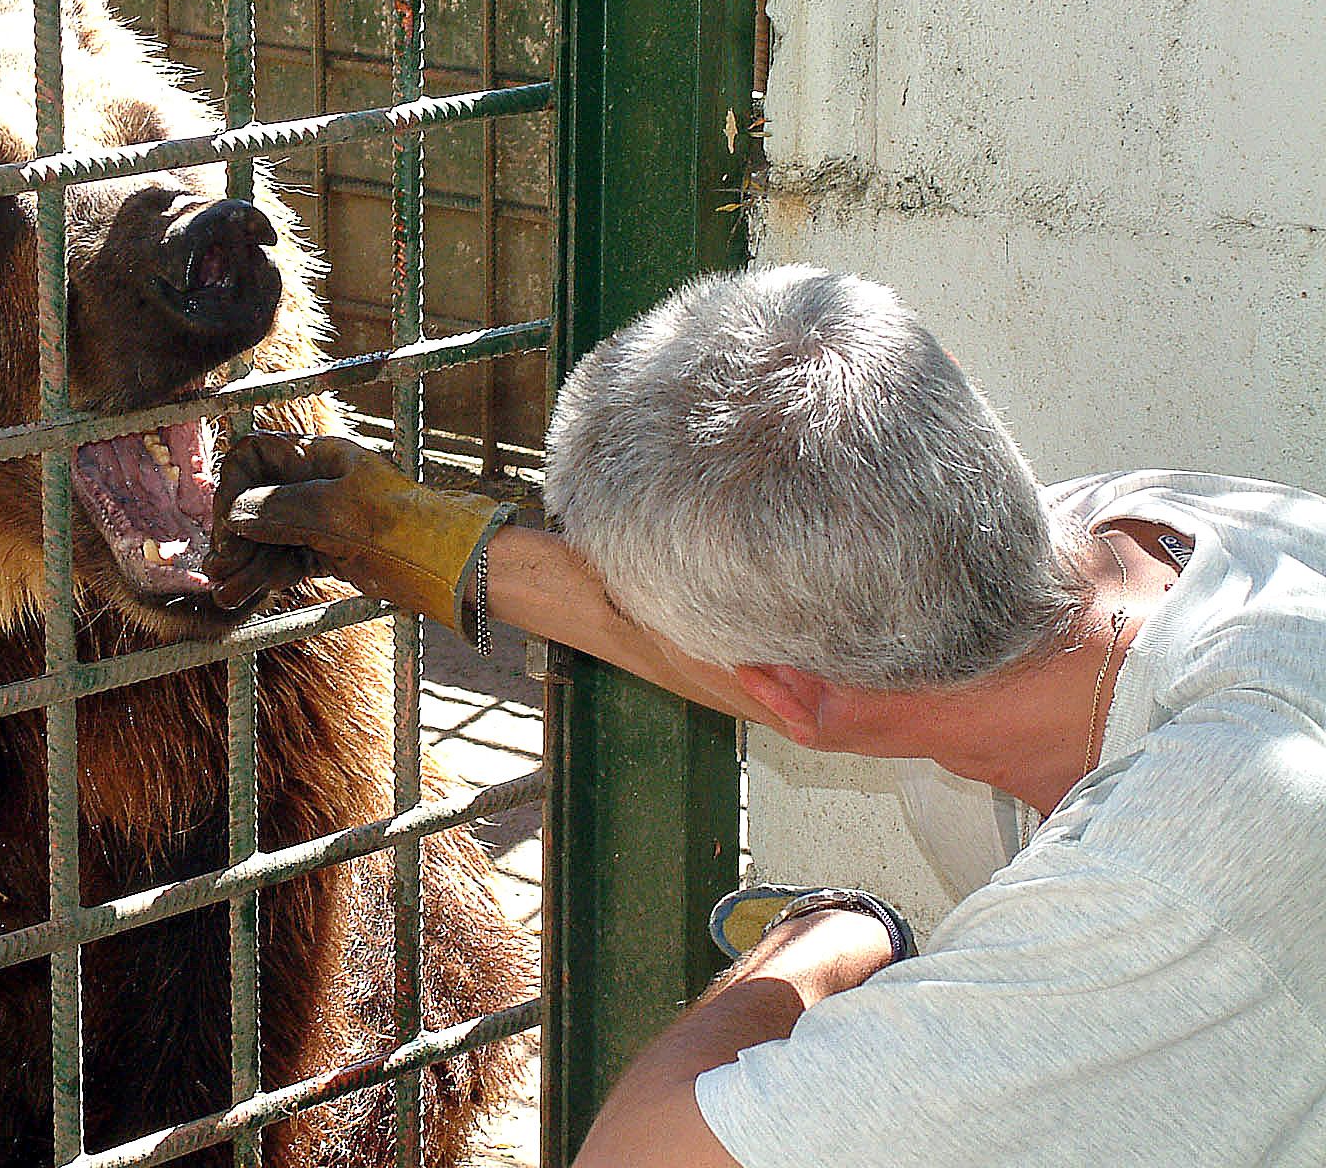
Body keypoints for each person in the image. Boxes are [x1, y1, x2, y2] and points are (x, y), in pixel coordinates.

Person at [205, 264, 1326, 1167]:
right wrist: (403, 529)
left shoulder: (1150, 902)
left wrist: (832, 937)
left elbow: (638, 1158)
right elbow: (807, 670)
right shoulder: (1147, 534)